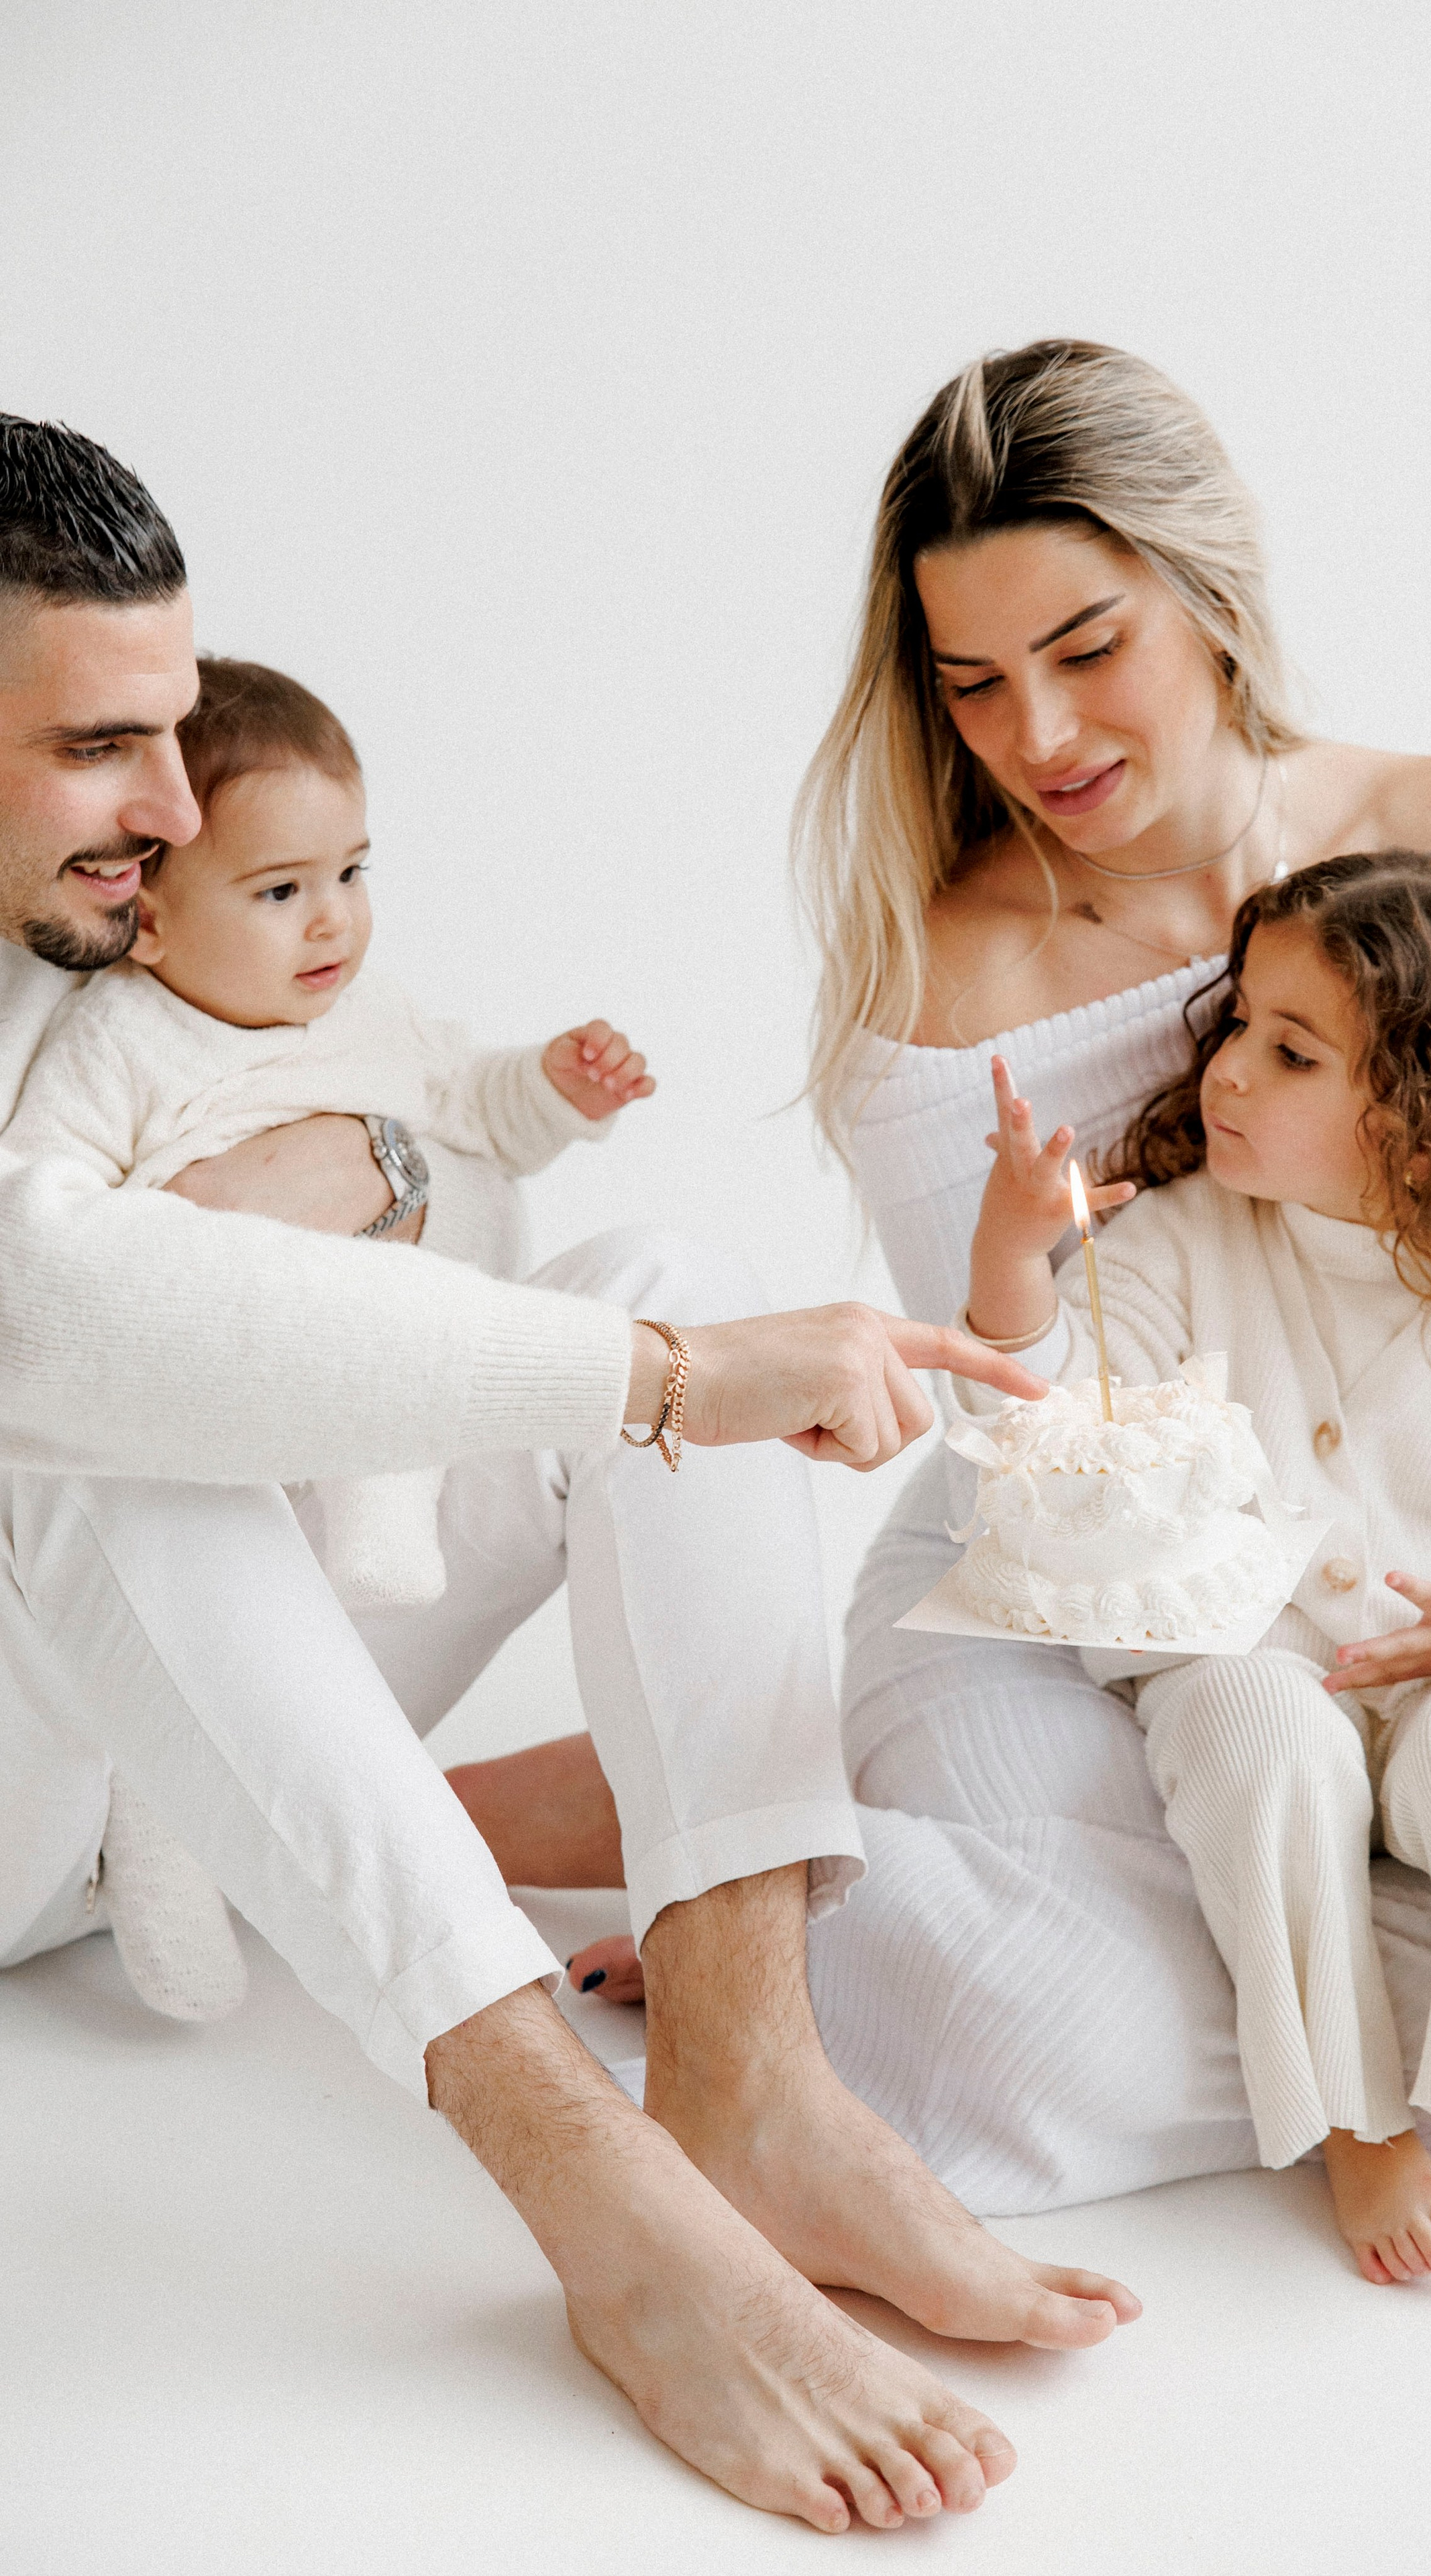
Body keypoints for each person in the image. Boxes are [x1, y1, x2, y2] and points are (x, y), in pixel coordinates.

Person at [0, 413, 1142, 2535]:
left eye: (175, 735)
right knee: (93, 1439)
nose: (170, 811)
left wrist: (408, 1168)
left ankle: (750, 2070)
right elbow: (60, 1334)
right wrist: (666, 1377)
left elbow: (427, 1216)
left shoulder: (117, 935)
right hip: (23, 1777)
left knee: (669, 1262)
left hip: (206, 1744)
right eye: (95, 750)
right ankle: (603, 2195)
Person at [550, 341, 1431, 2257]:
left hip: (1418, 1552)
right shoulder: (946, 990)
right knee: (1101, 2002)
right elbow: (1043, 1434)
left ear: (1210, 591)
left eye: (1089, 647)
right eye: (974, 683)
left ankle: (718, 1823)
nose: (1040, 734)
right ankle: (741, 1893)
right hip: (1075, 1602)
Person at [955, 851, 1431, 2335]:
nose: (1223, 1069)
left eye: (1288, 1053)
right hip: (1241, 1654)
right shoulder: (1170, 1244)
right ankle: (1357, 2128)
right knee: (1254, 1737)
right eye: (1237, 1026)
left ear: (1429, 1124)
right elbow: (1054, 1421)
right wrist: (1007, 1253)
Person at [9, 651, 658, 1634]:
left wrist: (557, 1088)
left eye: (352, 873)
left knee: (399, 1340)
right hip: (216, 1417)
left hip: (401, 1376)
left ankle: (382, 1521)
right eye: (280, 892)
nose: (334, 921)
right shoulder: (121, 1041)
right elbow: (56, 1221)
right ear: (146, 920)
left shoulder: (372, 1012)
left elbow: (479, 1110)